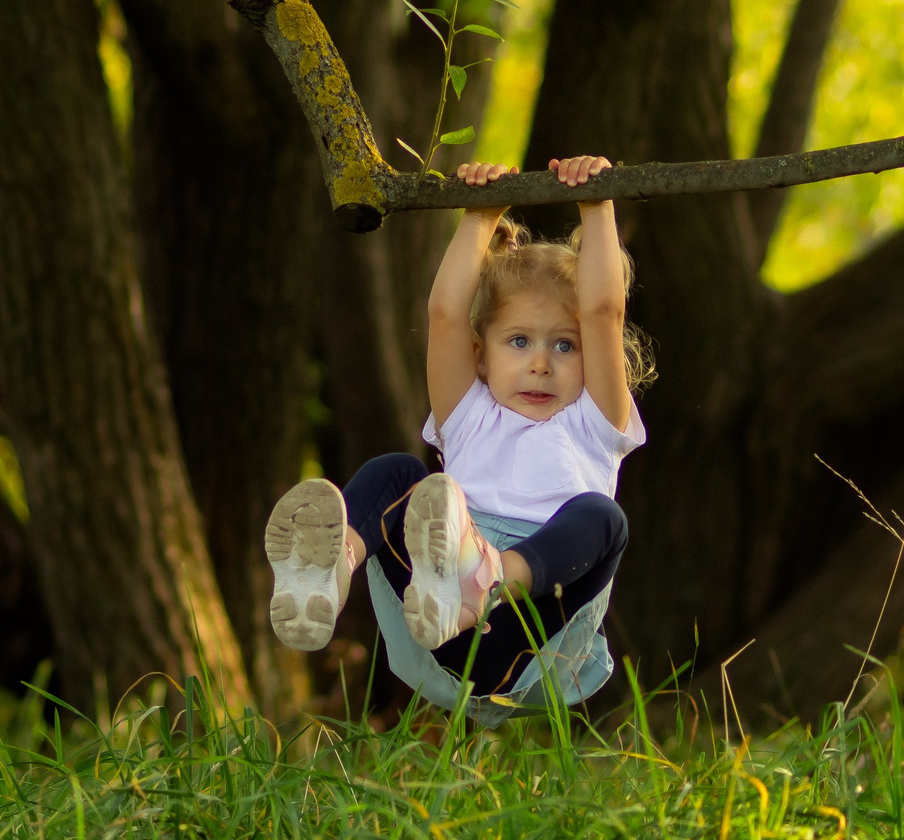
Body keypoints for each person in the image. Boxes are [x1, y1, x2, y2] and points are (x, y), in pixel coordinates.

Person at [263, 154, 652, 712]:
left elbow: (604, 311)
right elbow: (445, 314)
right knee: (398, 473)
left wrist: (597, 204)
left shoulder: (591, 425)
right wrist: (479, 217)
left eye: (564, 345)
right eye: (518, 341)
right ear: (481, 354)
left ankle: (487, 574)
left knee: (603, 518)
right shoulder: (471, 417)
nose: (541, 363)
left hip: (531, 636)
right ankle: (329, 564)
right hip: (433, 622)